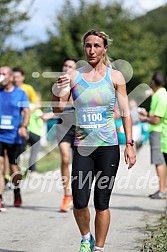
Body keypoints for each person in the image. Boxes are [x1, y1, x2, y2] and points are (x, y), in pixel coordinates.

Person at [52, 29, 136, 252]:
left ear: (105, 48)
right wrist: (56, 91)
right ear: (84, 48)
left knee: (102, 203)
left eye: (96, 46)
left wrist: (129, 144)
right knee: (79, 201)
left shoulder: (115, 77)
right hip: (83, 148)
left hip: (108, 147)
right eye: (88, 46)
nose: (91, 50)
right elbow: (57, 109)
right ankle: (85, 236)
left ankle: (98, 248)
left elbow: (126, 113)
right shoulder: (73, 76)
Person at [0, 66, 30, 211]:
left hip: (15, 136)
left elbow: (26, 111)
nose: (1, 76)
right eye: (0, 73)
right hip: (0, 135)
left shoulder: (20, 93)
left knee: (14, 168)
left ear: (11, 77)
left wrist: (23, 126)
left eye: (4, 73)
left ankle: (16, 191)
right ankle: (0, 198)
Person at [139, 72, 167, 199]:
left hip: (158, 131)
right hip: (158, 130)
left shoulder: (160, 96)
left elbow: (156, 119)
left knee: (158, 161)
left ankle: (162, 190)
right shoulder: (160, 94)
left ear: (153, 82)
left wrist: (145, 119)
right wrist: (147, 115)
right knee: (159, 161)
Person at [56, 58, 77, 212]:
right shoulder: (58, 85)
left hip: (79, 127)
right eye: (65, 65)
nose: (67, 68)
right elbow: (55, 108)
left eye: (70, 66)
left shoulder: (80, 84)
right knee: (65, 157)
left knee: (79, 163)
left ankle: (77, 194)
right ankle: (66, 195)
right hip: (63, 126)